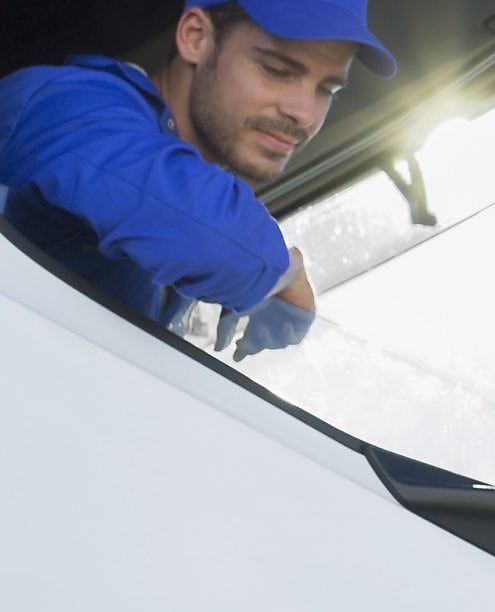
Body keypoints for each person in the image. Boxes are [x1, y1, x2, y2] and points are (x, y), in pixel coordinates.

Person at [0, 0, 395, 359]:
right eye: (277, 70)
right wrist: (280, 273)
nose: (305, 113)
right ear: (195, 37)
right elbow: (200, 231)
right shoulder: (68, 102)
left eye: (326, 90)